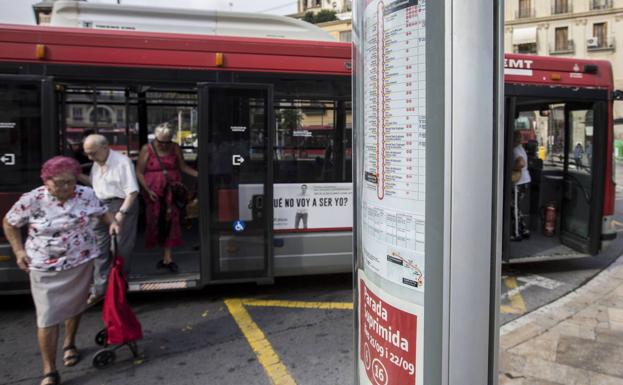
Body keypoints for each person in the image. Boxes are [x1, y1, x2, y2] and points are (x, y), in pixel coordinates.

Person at [2, 156, 119, 385]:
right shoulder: (33, 199)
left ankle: (70, 344)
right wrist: (18, 251)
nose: (67, 187)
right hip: (44, 265)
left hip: (80, 261)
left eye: (70, 182)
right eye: (60, 183)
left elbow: (103, 212)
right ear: (47, 181)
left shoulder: (85, 194)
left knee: (76, 306)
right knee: (47, 317)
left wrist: (113, 223)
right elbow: (9, 222)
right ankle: (50, 370)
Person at [83, 134, 139, 304]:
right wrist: (77, 175)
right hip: (100, 206)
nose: (89, 157)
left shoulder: (122, 162)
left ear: (105, 147)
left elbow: (132, 192)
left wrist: (121, 214)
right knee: (99, 249)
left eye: (92, 153)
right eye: (87, 153)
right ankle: (100, 290)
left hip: (120, 205)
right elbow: (95, 184)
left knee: (120, 249)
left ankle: (119, 289)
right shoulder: (97, 161)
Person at [136, 124, 198, 272]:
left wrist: (200, 175)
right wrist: (147, 189)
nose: (163, 145)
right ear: (155, 138)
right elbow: (139, 172)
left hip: (172, 190)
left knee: (172, 221)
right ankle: (161, 251)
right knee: (156, 221)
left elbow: (182, 167)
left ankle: (167, 257)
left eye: (167, 142)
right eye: (160, 142)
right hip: (153, 192)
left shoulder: (175, 148)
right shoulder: (147, 149)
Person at [511, 131, 531, 241]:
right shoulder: (520, 148)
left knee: (514, 207)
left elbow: (521, 163)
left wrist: (512, 168)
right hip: (524, 181)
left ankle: (517, 233)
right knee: (515, 207)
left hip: (519, 182)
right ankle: (523, 229)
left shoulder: (515, 150)